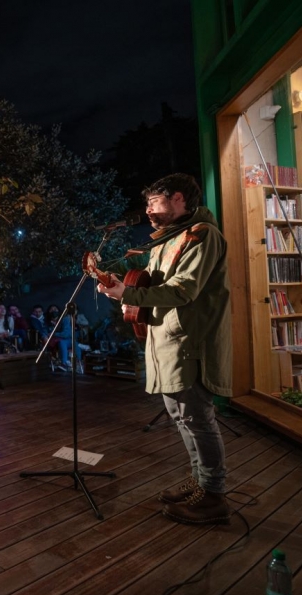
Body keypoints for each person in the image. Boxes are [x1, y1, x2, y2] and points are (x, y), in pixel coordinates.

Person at [98, 173, 232, 526]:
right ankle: (200, 481)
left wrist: (126, 294)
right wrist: (119, 283)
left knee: (198, 419)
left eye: (153, 203)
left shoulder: (202, 237)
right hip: (168, 342)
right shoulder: (168, 239)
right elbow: (154, 282)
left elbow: (182, 290)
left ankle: (214, 494)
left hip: (190, 343)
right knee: (181, 417)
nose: (148, 211)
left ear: (177, 199)